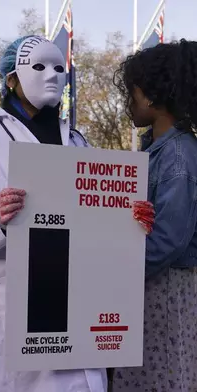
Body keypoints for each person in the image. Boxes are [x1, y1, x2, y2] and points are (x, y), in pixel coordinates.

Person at [0, 35, 154, 392]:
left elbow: (94, 225)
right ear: (11, 79)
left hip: (76, 309)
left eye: (59, 68)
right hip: (9, 313)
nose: (52, 75)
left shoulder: (79, 143)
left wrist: (129, 220)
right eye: (38, 66)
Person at [110, 39, 197, 392]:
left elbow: (169, 239)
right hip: (149, 284)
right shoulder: (156, 149)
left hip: (163, 289)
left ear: (151, 97)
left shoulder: (179, 154)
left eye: (132, 93)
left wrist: (118, 273)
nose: (128, 102)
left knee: (161, 378)